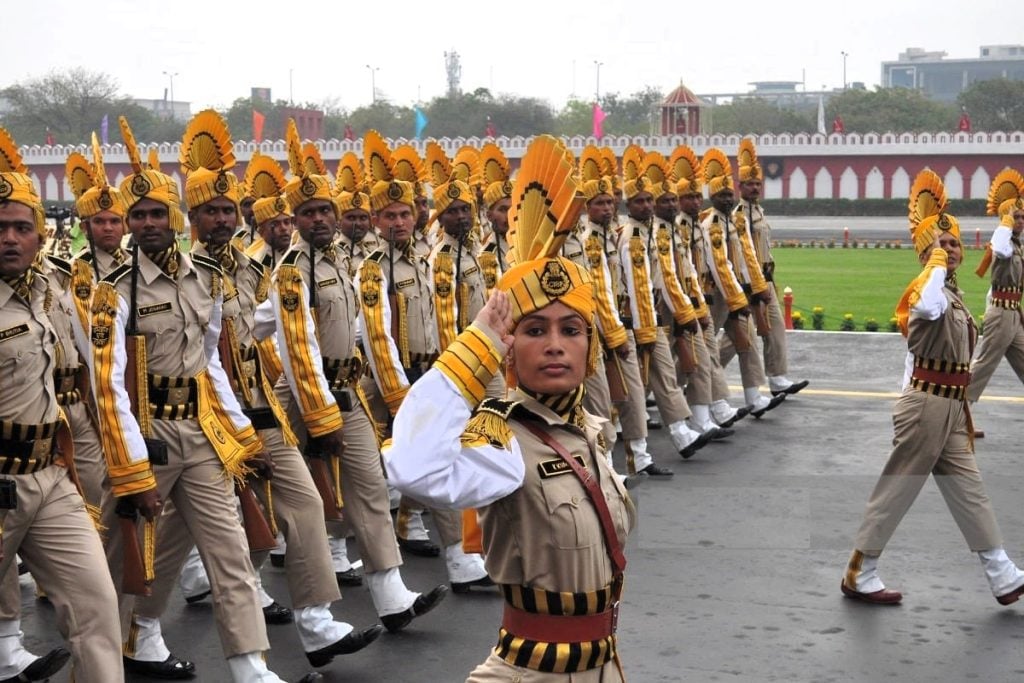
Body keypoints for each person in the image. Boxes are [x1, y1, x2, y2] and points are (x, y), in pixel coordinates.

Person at [385, 135, 634, 681]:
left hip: (605, 667)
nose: (554, 344)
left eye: (572, 330)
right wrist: (476, 348)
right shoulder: (503, 438)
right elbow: (414, 466)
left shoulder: (588, 432)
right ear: (510, 346)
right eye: (533, 330)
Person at [90, 115, 299, 682]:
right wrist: (131, 466)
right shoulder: (114, 291)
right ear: (128, 224)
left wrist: (240, 432)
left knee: (230, 550)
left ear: (174, 216)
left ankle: (250, 667)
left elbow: (210, 362)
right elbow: (108, 382)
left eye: (159, 213)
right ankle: (124, 642)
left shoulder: (202, 276)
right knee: (130, 560)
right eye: (139, 216)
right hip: (149, 436)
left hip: (202, 431)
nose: (150, 223)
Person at [271, 121, 448, 632]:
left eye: (325, 209)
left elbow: (366, 333)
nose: (321, 219)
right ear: (296, 220)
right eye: (309, 213)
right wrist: (320, 413)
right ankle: (313, 615)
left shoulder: (343, 263)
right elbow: (299, 347)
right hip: (306, 397)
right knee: (303, 505)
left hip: (345, 391)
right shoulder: (291, 269)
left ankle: (391, 594)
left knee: (369, 487)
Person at [841, 170, 1024, 607]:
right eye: (940, 245)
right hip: (925, 406)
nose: (951, 250)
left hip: (950, 407)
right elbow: (926, 304)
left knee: (969, 488)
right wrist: (934, 265)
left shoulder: (956, 296)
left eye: (955, 244)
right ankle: (860, 569)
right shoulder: (927, 288)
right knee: (899, 487)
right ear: (925, 253)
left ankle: (1001, 573)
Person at [0, 126, 123, 681]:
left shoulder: (51, 288)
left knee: (98, 609)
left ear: (40, 234)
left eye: (21, 227)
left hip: (51, 476)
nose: (9, 238)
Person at [617, 148, 710, 466]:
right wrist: (642, 326)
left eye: (648, 200)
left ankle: (682, 434)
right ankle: (637, 453)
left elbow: (665, 277)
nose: (645, 205)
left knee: (665, 376)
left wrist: (683, 312)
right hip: (635, 322)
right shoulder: (630, 237)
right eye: (639, 201)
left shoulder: (650, 235)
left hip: (652, 318)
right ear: (628, 205)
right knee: (632, 389)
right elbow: (633, 285)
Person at [699, 148, 785, 418]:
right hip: (718, 296)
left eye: (728, 195)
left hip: (737, 292)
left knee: (746, 343)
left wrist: (757, 287)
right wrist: (739, 299)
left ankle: (753, 397)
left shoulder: (734, 222)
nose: (726, 199)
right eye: (721, 196)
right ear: (712, 197)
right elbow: (720, 266)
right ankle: (695, 396)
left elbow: (747, 256)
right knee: (704, 350)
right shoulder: (711, 225)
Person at [726, 139, 809, 398]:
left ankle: (778, 378)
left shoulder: (759, 212)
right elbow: (740, 253)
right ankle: (703, 372)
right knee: (738, 336)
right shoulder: (738, 215)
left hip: (767, 279)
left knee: (775, 328)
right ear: (740, 187)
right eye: (749, 184)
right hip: (749, 283)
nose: (754, 188)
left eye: (757, 184)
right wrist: (749, 285)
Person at [967, 169, 1024, 435]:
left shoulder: (1017, 244)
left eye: (1022, 216)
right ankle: (956, 418)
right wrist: (1006, 221)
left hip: (1012, 315)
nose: (1020, 220)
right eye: (1016, 215)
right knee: (983, 367)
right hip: (1001, 315)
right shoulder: (1002, 241)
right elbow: (999, 247)